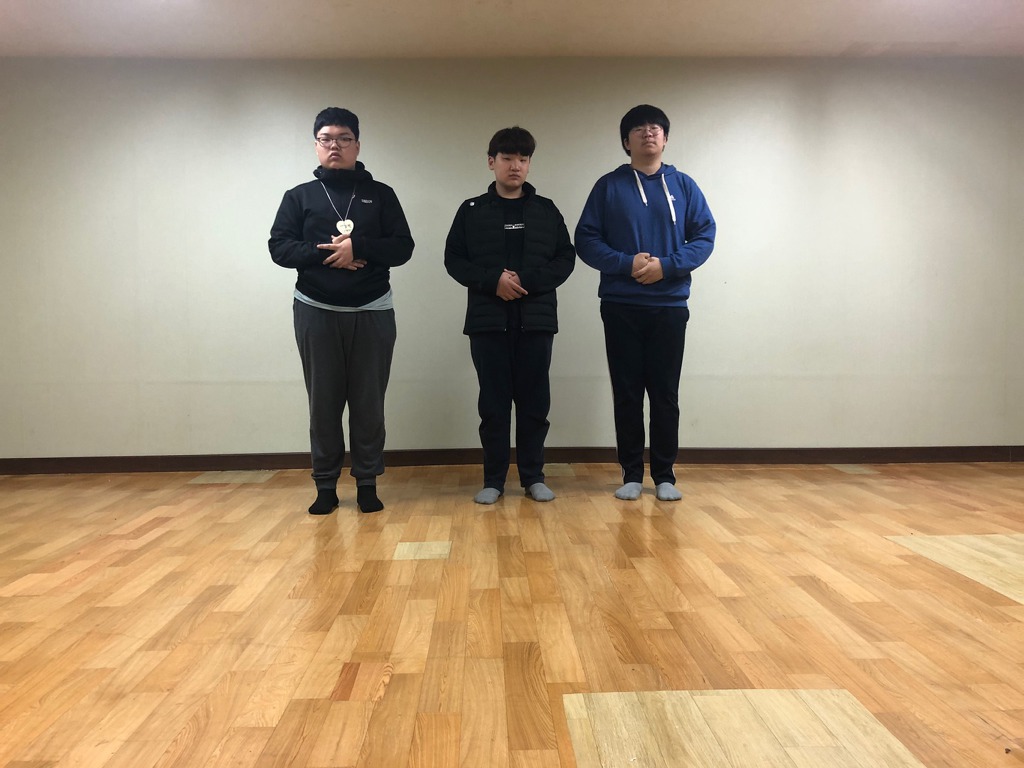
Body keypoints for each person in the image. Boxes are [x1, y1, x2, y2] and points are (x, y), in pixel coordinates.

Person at [269, 107, 413, 515]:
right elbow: (279, 248)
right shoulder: (299, 196)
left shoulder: (381, 194)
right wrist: (329, 254)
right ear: (316, 145)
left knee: (369, 402)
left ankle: (367, 482)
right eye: (326, 139)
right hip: (315, 308)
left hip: (372, 309)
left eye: (344, 139)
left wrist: (359, 247)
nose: (335, 146)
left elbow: (403, 247)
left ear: (357, 146)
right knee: (324, 402)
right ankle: (326, 485)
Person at [575, 105, 715, 501]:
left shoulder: (684, 186)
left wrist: (666, 267)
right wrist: (626, 263)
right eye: (638, 128)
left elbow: (704, 236)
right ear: (626, 141)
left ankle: (665, 475)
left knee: (665, 393)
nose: (648, 132)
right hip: (620, 305)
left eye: (655, 128)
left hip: (669, 306)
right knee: (627, 392)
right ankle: (632, 474)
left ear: (665, 138)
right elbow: (586, 240)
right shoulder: (608, 186)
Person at [445, 127, 576, 504]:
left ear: (530, 164)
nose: (515, 165)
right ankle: (494, 480)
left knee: (535, 405)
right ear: (492, 162)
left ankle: (534, 477)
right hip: (488, 323)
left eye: (523, 159)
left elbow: (565, 259)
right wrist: (493, 282)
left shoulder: (546, 210)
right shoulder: (471, 210)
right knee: (493, 405)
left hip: (536, 322)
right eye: (507, 158)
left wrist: (526, 282)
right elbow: (454, 260)